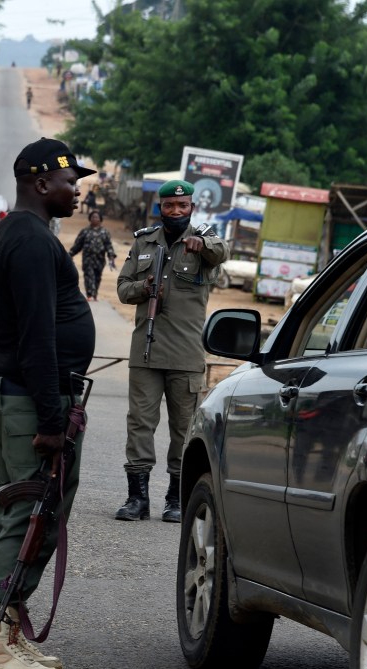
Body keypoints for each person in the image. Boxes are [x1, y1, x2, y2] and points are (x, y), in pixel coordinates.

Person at [0, 137, 96, 669]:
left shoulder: (6, 237)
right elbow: (37, 336)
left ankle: (8, 632)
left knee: (22, 507)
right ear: (42, 183)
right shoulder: (32, 241)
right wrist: (49, 418)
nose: (77, 193)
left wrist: (2, 372)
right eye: (72, 183)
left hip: (15, 389)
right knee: (27, 510)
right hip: (32, 399)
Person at [114, 179, 229, 523]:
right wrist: (144, 287)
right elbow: (122, 288)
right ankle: (137, 499)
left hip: (186, 354)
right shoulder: (144, 242)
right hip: (146, 351)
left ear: (192, 207)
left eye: (183, 206)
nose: (176, 211)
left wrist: (202, 244)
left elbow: (221, 252)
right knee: (140, 424)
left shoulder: (205, 240)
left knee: (184, 429)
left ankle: (175, 499)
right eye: (169, 206)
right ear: (159, 208)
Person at [68, 209, 116, 302]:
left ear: (100, 219)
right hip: (87, 259)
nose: (94, 219)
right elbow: (78, 245)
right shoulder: (85, 231)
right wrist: (70, 254)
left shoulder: (105, 232)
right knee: (88, 275)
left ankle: (95, 294)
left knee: (97, 276)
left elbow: (108, 245)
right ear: (90, 219)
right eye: (93, 217)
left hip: (100, 259)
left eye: (96, 217)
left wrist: (111, 256)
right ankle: (90, 295)